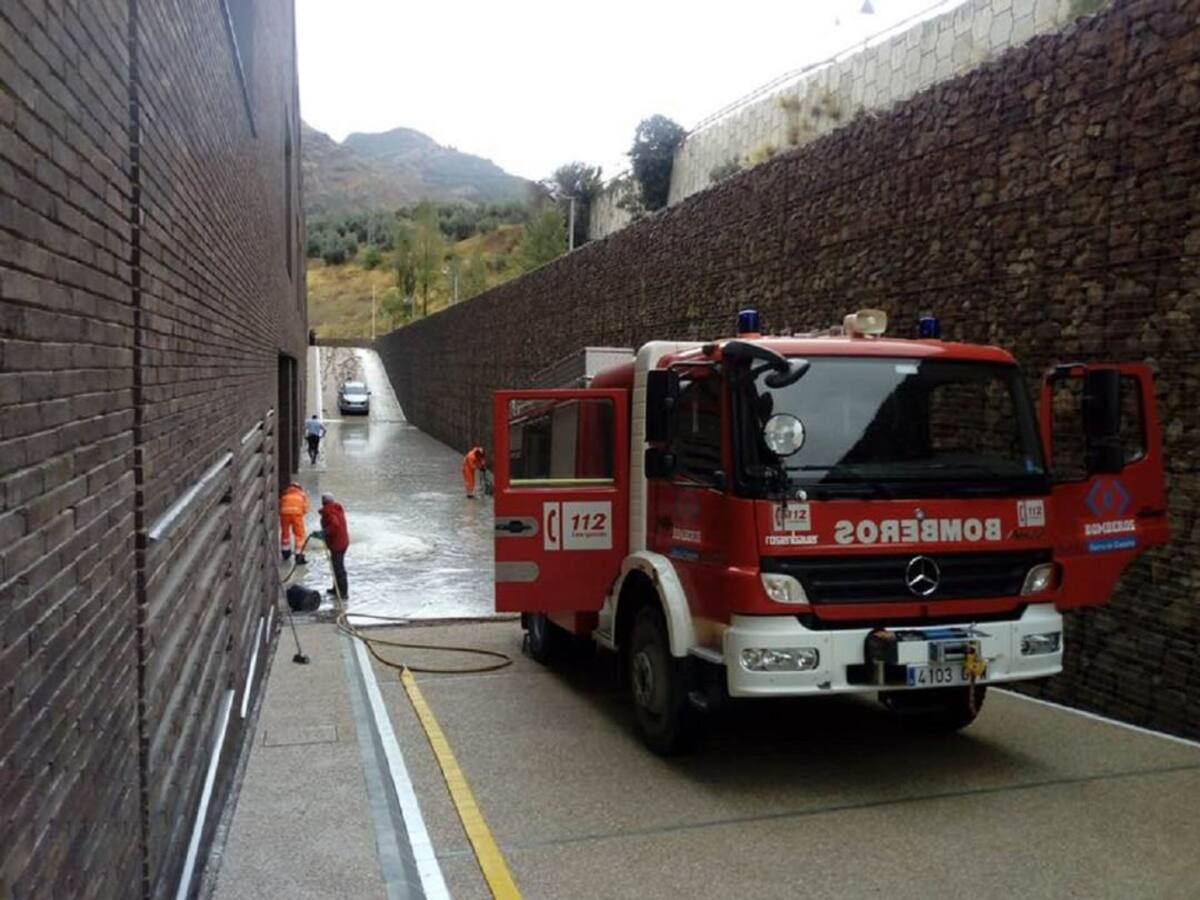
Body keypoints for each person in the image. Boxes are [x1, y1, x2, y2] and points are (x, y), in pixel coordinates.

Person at [314, 492, 350, 601]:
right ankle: (336, 589)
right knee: (335, 566)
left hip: (337, 544)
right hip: (342, 542)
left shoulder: (329, 511)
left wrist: (324, 532)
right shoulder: (336, 509)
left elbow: (335, 525)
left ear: (323, 502)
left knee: (338, 568)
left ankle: (343, 593)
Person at [279, 481, 309, 564]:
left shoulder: (285, 495)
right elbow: (305, 508)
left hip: (284, 515)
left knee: (285, 533)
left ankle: (286, 552)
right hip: (297, 515)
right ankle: (299, 555)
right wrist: (300, 513)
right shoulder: (302, 495)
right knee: (299, 535)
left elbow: (280, 505)